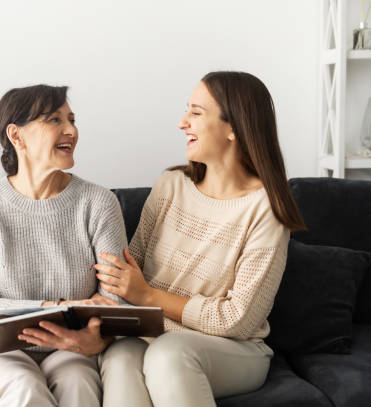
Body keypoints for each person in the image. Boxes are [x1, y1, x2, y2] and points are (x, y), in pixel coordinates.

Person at [95, 71, 306, 407]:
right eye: (186, 110)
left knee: (169, 354)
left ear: (234, 127)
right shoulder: (170, 186)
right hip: (152, 335)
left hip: (234, 350)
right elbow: (127, 276)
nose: (182, 122)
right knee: (120, 359)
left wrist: (147, 295)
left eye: (196, 112)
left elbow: (238, 320)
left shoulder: (265, 209)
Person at [0, 84, 127, 407]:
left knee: (80, 386)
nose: (71, 130)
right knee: (22, 385)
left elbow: (114, 298)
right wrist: (58, 308)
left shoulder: (99, 202)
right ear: (17, 136)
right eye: (54, 120)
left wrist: (88, 336)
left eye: (71, 119)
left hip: (70, 347)